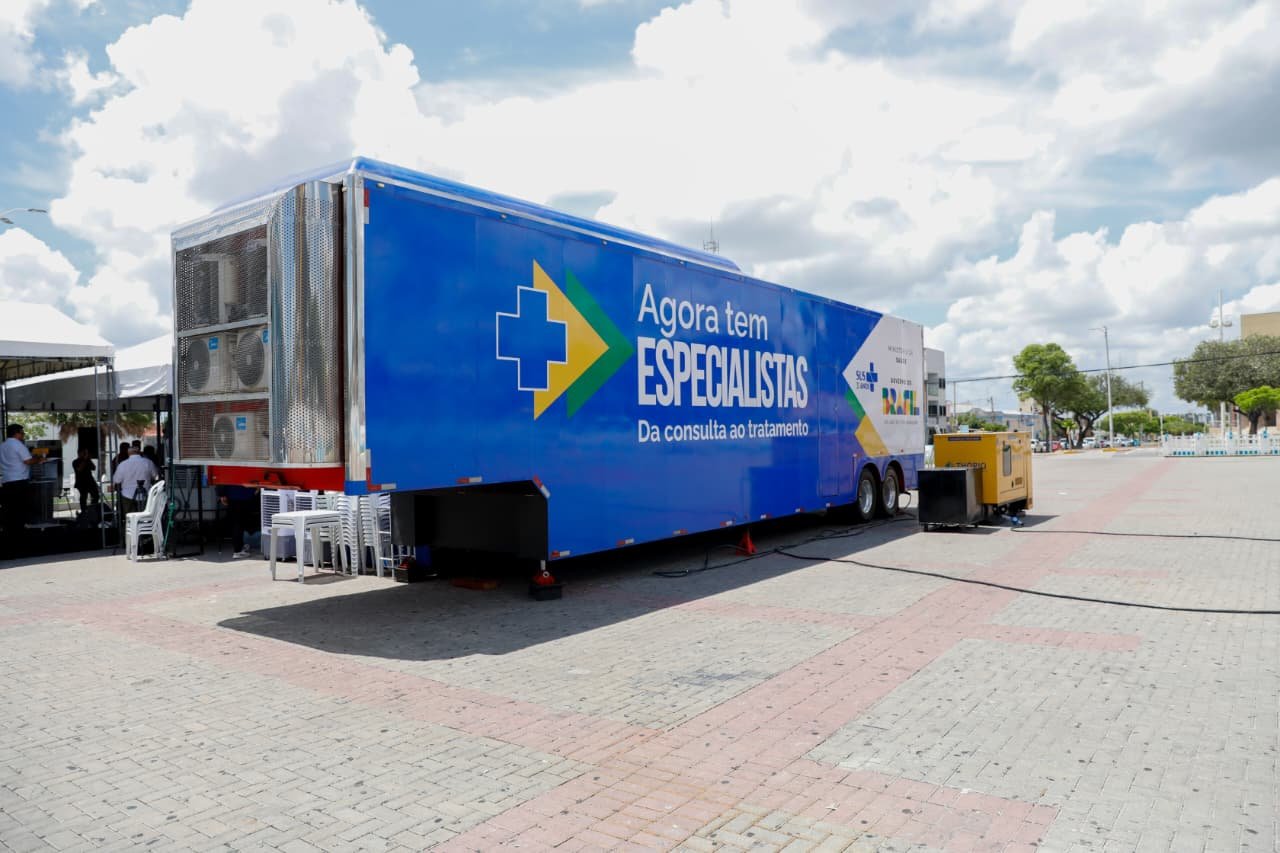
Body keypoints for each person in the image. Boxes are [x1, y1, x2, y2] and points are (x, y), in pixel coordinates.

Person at [1, 424, 39, 553]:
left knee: (9, 511)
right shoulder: (18, 445)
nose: (23, 435)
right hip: (19, 481)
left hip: (7, 481)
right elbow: (28, 461)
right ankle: (20, 540)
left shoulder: (2, 446)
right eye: (22, 433)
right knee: (20, 511)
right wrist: (38, 459)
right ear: (16, 433)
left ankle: (8, 538)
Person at [112, 446, 160, 516]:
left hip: (128, 495)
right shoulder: (148, 462)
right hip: (145, 494)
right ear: (140, 452)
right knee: (145, 516)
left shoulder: (123, 464)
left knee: (130, 517)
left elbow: (117, 480)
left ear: (128, 453)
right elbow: (156, 476)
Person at [217, 484, 261, 557]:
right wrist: (255, 490)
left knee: (237, 523)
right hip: (244, 494)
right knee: (239, 523)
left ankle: (239, 547)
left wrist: (221, 494)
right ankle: (237, 550)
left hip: (233, 494)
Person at [71, 447, 99, 513]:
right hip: (81, 483)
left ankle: (91, 509)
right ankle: (84, 511)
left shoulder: (87, 460)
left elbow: (94, 468)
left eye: (85, 453)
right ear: (79, 453)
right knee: (83, 497)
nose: (84, 454)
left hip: (90, 481)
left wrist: (88, 459)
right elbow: (79, 469)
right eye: (83, 453)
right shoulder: (75, 462)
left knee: (96, 496)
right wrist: (85, 460)